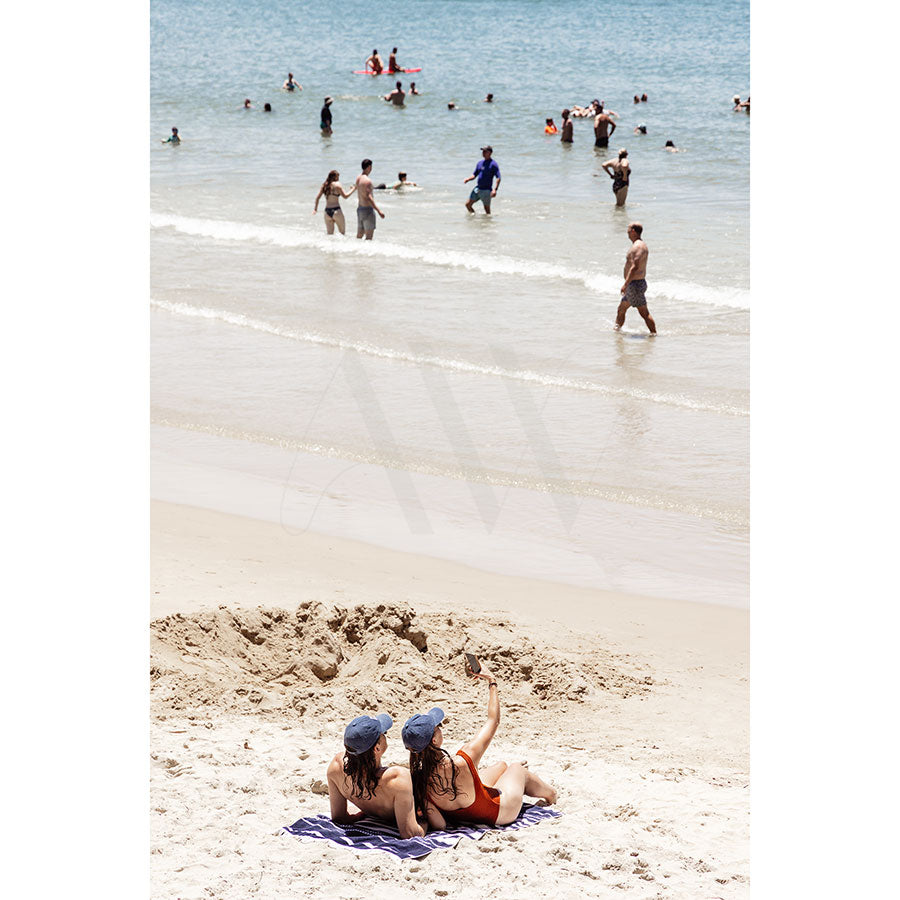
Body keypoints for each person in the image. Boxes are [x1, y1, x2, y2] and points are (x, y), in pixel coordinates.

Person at [402, 664, 557, 829]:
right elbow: (493, 720)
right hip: (500, 813)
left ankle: (512, 776)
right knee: (516, 768)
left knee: (500, 766)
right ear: (434, 740)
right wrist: (492, 681)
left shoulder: (418, 779)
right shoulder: (463, 760)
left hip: (467, 814)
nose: (441, 727)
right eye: (438, 726)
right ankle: (551, 795)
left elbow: (440, 824)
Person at [326, 713, 425, 839]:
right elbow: (410, 834)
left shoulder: (335, 767)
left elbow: (339, 817)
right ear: (377, 748)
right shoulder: (396, 778)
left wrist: (357, 817)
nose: (385, 736)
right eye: (384, 734)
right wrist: (424, 823)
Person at [616, 222, 656, 334]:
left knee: (644, 312)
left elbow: (635, 266)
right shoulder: (637, 245)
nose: (627, 232)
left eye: (628, 229)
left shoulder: (638, 246)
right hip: (633, 285)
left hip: (634, 285)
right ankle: (617, 332)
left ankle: (654, 334)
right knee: (621, 309)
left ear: (633, 231)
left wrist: (625, 284)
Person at [313, 169, 356, 235]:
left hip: (327, 212)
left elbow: (317, 198)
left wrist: (315, 209)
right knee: (342, 233)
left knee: (330, 235)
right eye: (338, 177)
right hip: (336, 211)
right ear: (335, 177)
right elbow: (345, 196)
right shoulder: (337, 185)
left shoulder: (324, 185)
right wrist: (353, 189)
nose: (338, 179)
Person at [463, 145, 501, 214]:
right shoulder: (480, 163)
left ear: (490, 153)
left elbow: (498, 177)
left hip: (486, 190)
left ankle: (487, 223)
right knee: (467, 205)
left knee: (487, 211)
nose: (483, 153)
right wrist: (468, 179)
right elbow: (474, 174)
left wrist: (495, 189)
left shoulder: (493, 164)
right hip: (478, 189)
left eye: (485, 151)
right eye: (482, 151)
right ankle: (474, 218)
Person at [355, 158, 385, 239]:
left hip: (360, 209)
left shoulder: (358, 178)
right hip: (367, 210)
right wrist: (379, 211)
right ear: (369, 167)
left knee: (359, 235)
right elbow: (369, 197)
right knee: (369, 238)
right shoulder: (368, 181)